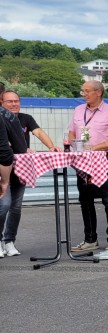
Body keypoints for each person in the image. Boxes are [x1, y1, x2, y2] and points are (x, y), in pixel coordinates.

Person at [0, 90, 59, 256]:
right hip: (3, 167)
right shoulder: (2, 118)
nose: (14, 104)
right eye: (9, 101)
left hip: (22, 169)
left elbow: (38, 132)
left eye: (16, 101)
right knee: (4, 204)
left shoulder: (25, 118)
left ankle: (9, 241)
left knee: (16, 206)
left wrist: (51, 146)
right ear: (1, 103)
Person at [67, 81, 108, 252]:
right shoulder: (78, 110)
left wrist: (95, 148)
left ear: (98, 92)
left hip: (101, 159)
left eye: (87, 91)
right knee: (85, 200)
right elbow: (71, 132)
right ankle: (90, 239)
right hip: (82, 161)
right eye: (82, 91)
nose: (83, 94)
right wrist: (74, 144)